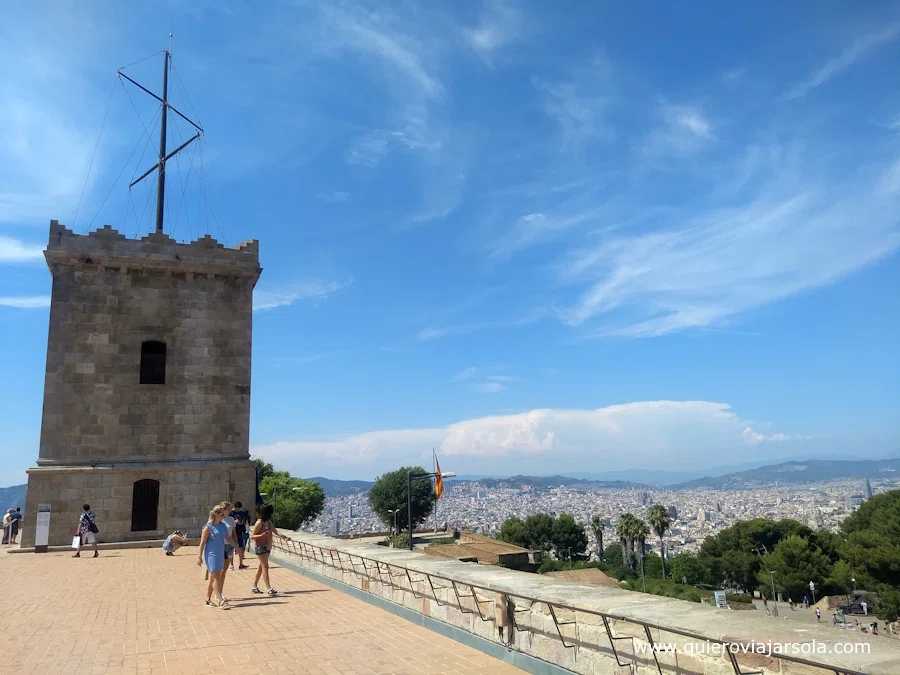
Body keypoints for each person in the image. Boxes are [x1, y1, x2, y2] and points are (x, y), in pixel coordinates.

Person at [197, 506, 230, 609]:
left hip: (220, 554)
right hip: (211, 555)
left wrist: (237, 546)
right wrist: (199, 556)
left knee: (213, 577)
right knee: (216, 577)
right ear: (216, 515)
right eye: (221, 514)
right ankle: (220, 600)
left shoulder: (223, 526)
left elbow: (228, 538)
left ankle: (207, 599)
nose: (223, 516)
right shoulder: (208, 527)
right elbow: (202, 543)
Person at [249, 504, 285, 596]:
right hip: (260, 547)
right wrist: (261, 535)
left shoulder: (268, 522)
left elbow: (275, 531)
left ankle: (254, 586)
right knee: (265, 567)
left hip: (268, 546)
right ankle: (269, 588)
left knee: (261, 567)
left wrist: (284, 537)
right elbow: (252, 536)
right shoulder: (259, 523)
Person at [218, 501, 238, 601]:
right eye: (229, 509)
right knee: (219, 571)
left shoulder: (231, 519)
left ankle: (220, 592)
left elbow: (234, 533)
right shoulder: (218, 519)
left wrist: (236, 545)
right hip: (220, 546)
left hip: (229, 546)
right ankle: (217, 593)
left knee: (224, 571)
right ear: (223, 509)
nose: (230, 511)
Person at [231, 501, 251, 569]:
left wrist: (241, 522)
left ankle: (241, 564)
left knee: (241, 548)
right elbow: (227, 522)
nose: (238, 510)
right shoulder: (231, 513)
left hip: (240, 532)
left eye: (239, 508)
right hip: (232, 532)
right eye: (237, 508)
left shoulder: (241, 513)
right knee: (232, 548)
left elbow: (244, 520)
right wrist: (234, 522)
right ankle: (231, 564)